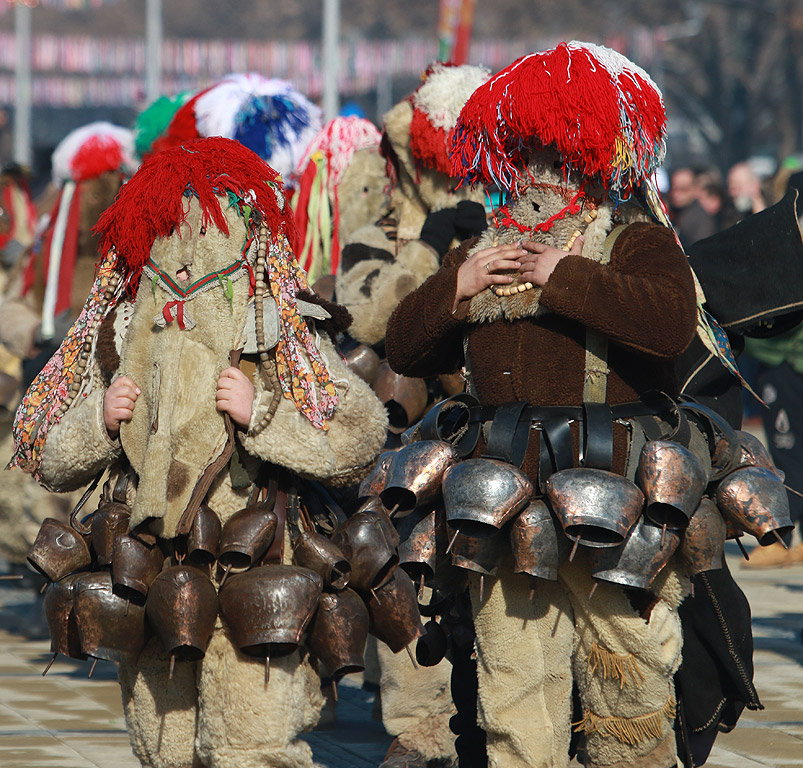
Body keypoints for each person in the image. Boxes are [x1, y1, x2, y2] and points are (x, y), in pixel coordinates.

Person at [386, 42, 720, 768]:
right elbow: (404, 351)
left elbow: (667, 324)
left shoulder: (637, 239)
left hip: (616, 506)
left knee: (625, 690)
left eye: (555, 157)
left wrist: (563, 275)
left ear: (592, 162)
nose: (537, 172)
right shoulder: (483, 245)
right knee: (512, 693)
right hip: (504, 509)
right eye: (527, 154)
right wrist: (459, 285)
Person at [10, 137, 388, 768]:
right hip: (148, 569)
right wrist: (100, 424)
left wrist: (262, 414)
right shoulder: (120, 325)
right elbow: (45, 449)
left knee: (252, 747)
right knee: (162, 749)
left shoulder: (275, 327)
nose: (184, 268)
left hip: (256, 571)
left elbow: (358, 435)